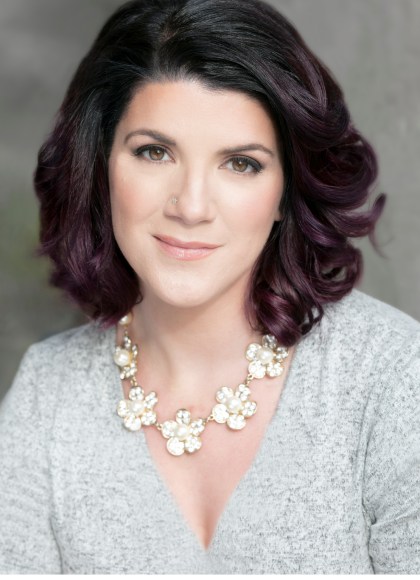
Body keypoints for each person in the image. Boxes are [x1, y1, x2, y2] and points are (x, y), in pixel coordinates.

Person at [0, 0, 419, 574]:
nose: (192, 207)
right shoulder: (47, 396)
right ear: (99, 167)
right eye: (154, 152)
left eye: (241, 163)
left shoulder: (392, 376)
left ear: (286, 191)